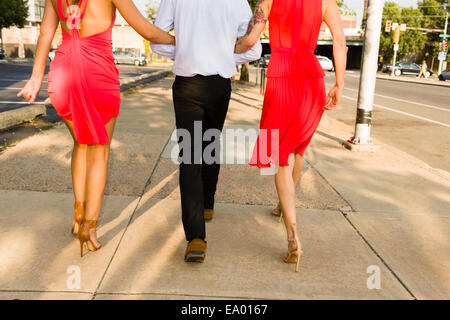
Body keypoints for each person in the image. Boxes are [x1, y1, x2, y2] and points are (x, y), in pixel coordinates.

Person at [18, 0, 175, 257]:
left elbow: (46, 32)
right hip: (98, 75)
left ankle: (79, 212)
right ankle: (89, 227)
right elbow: (146, 30)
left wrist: (36, 77)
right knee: (100, 152)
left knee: (81, 144)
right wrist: (176, 40)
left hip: (63, 74)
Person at [235, 0, 347, 271]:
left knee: (278, 156)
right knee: (296, 148)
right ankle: (282, 206)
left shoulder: (268, 1)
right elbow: (340, 43)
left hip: (281, 75)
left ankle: (292, 236)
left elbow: (250, 40)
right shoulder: (326, 3)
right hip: (312, 78)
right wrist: (339, 85)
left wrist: (226, 52)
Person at [151, 0, 262, 263]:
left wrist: (186, 49)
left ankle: (196, 238)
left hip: (187, 84)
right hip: (218, 85)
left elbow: (156, 42)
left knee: (189, 157)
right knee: (211, 142)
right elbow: (253, 48)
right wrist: (225, 55)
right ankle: (208, 203)